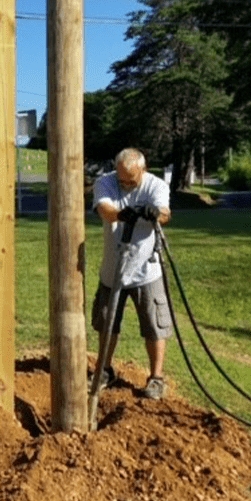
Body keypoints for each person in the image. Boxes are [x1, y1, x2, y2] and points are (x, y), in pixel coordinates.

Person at [91, 147, 172, 399]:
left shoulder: (155, 185)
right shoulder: (105, 182)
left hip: (146, 270)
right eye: (122, 179)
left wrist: (155, 213)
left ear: (143, 170)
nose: (125, 185)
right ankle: (104, 370)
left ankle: (156, 378)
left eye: (131, 180)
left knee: (154, 324)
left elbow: (166, 213)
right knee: (106, 323)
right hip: (112, 270)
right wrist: (122, 214)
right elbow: (104, 210)